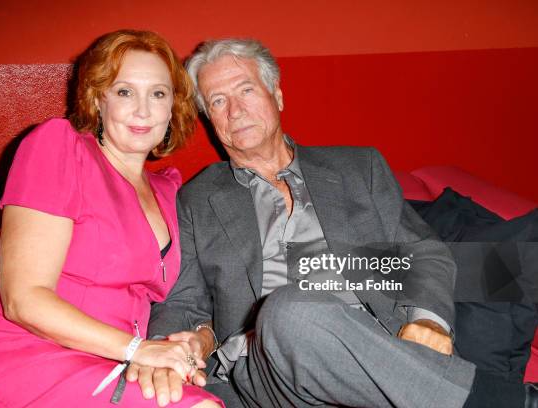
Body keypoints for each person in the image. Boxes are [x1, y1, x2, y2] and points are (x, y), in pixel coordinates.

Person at [138, 39, 537, 407]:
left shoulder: (357, 168)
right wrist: (171, 345)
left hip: (377, 351)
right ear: (210, 120)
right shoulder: (197, 199)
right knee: (290, 310)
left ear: (276, 94)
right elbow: (180, 301)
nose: (235, 110)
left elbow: (422, 254)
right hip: (266, 368)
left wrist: (429, 322)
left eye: (245, 90)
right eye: (218, 101)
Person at [0, 30, 222, 408]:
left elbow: (181, 298)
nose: (143, 110)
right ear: (97, 98)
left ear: (173, 106)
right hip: (15, 356)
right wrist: (139, 349)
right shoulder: (60, 147)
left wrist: (188, 342)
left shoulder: (169, 189)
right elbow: (24, 300)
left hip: (111, 361)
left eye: (158, 93)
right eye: (124, 92)